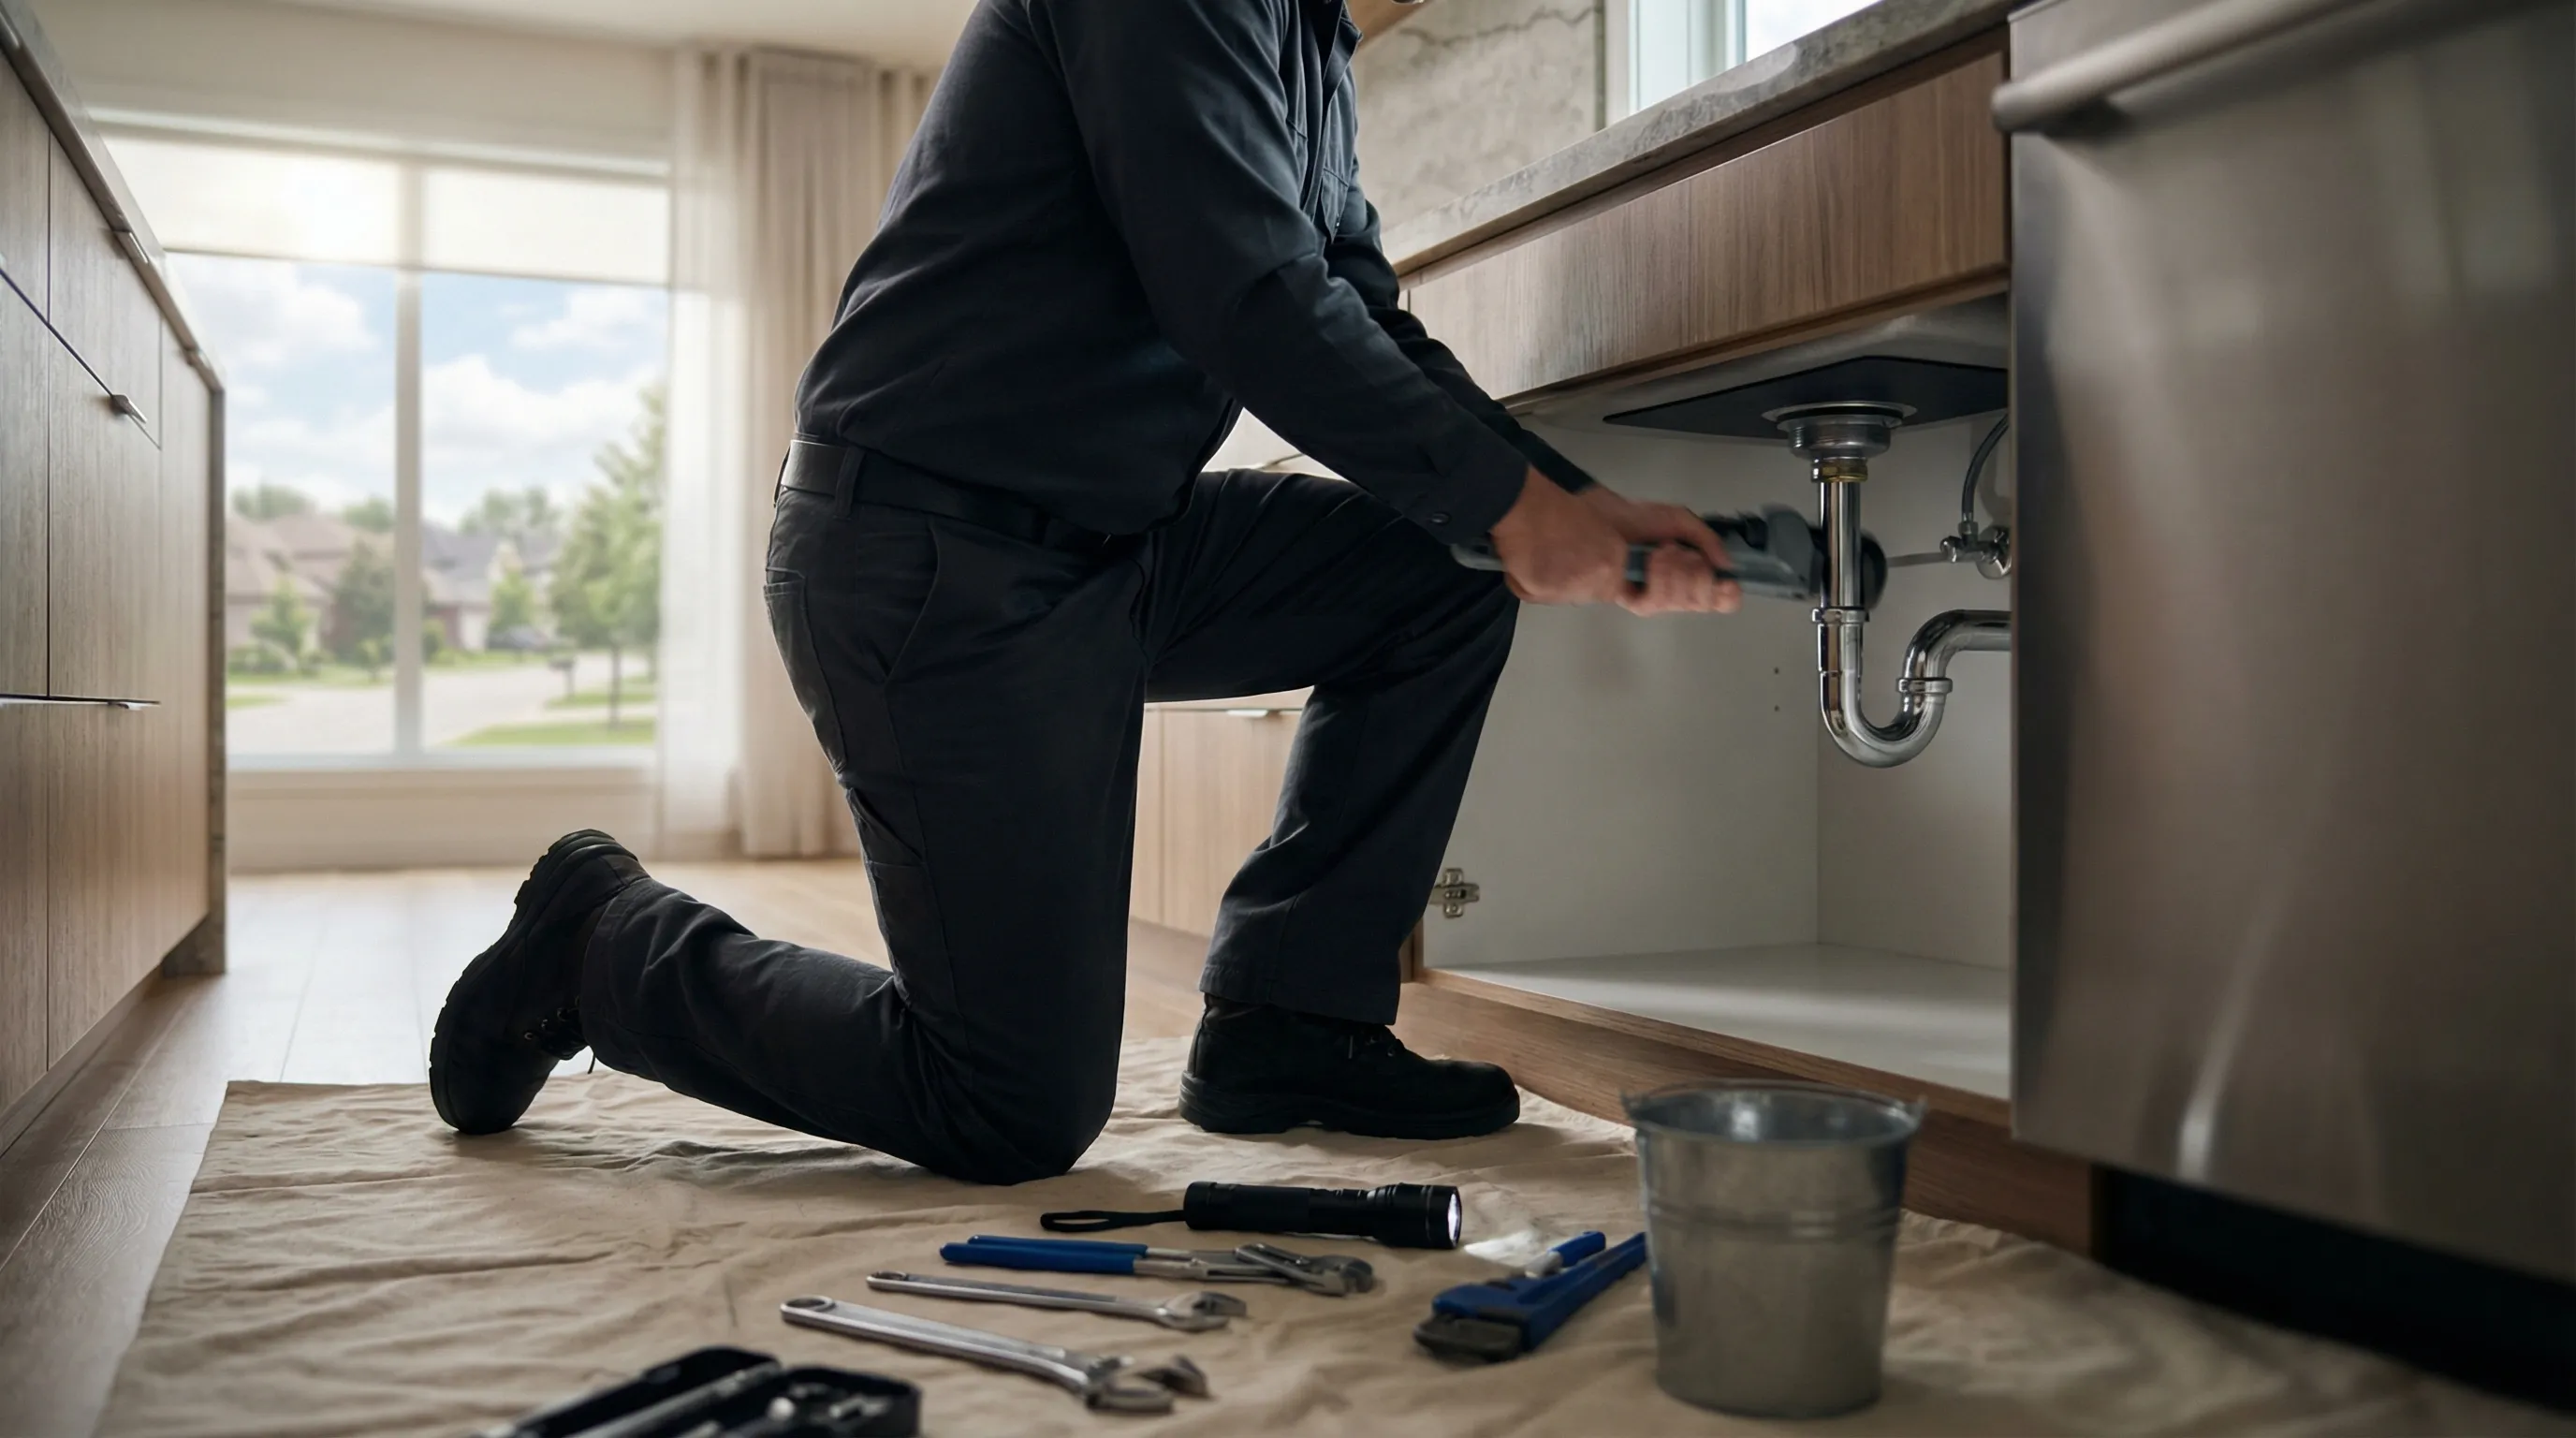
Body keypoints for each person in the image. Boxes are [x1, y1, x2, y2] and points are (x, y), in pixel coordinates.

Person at [426, 0, 1737, 1184]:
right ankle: (601, 943)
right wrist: (1519, 509)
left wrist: (1559, 505)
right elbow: (1247, 294)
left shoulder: (1304, 28)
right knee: (1008, 1105)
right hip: (929, 547)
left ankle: (1292, 1019)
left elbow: (1348, 297)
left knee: (1433, 573)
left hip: (1114, 541)